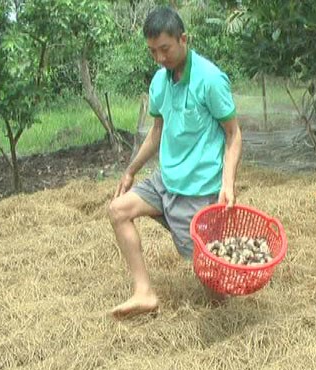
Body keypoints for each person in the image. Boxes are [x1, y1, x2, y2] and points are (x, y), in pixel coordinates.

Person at [108, 5, 242, 319]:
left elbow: (234, 134)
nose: (159, 58)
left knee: (207, 274)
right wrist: (130, 171)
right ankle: (144, 292)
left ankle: (225, 314)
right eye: (153, 51)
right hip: (165, 181)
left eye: (165, 49)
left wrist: (228, 184)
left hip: (198, 190)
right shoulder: (159, 81)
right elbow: (157, 131)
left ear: (184, 39)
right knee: (118, 210)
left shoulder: (210, 79)